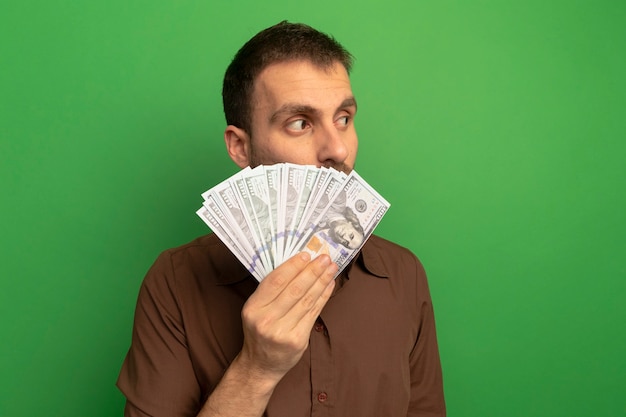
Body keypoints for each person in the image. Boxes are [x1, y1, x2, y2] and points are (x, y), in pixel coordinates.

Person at [117, 21, 446, 417]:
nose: (337, 149)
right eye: (300, 123)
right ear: (241, 147)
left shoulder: (404, 276)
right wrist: (257, 369)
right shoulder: (174, 281)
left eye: (343, 117)